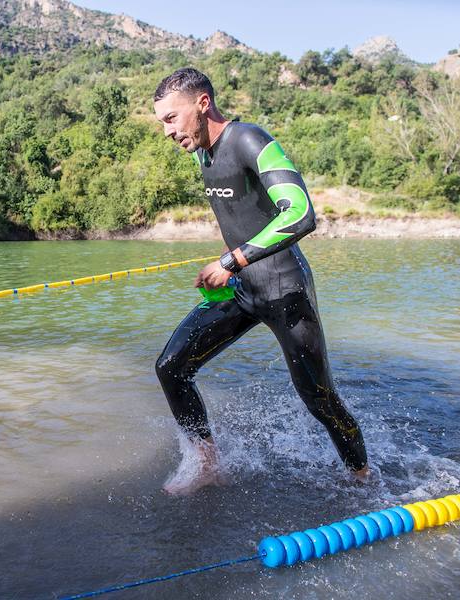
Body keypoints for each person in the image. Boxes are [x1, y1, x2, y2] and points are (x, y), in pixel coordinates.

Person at [152, 67, 369, 495]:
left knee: (319, 398)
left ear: (203, 104)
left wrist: (232, 260)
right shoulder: (201, 153)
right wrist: (227, 266)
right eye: (162, 122)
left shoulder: (251, 140)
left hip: (285, 291)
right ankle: (206, 464)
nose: (167, 131)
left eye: (171, 118)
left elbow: (300, 213)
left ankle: (363, 479)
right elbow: (242, 212)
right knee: (171, 367)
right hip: (242, 289)